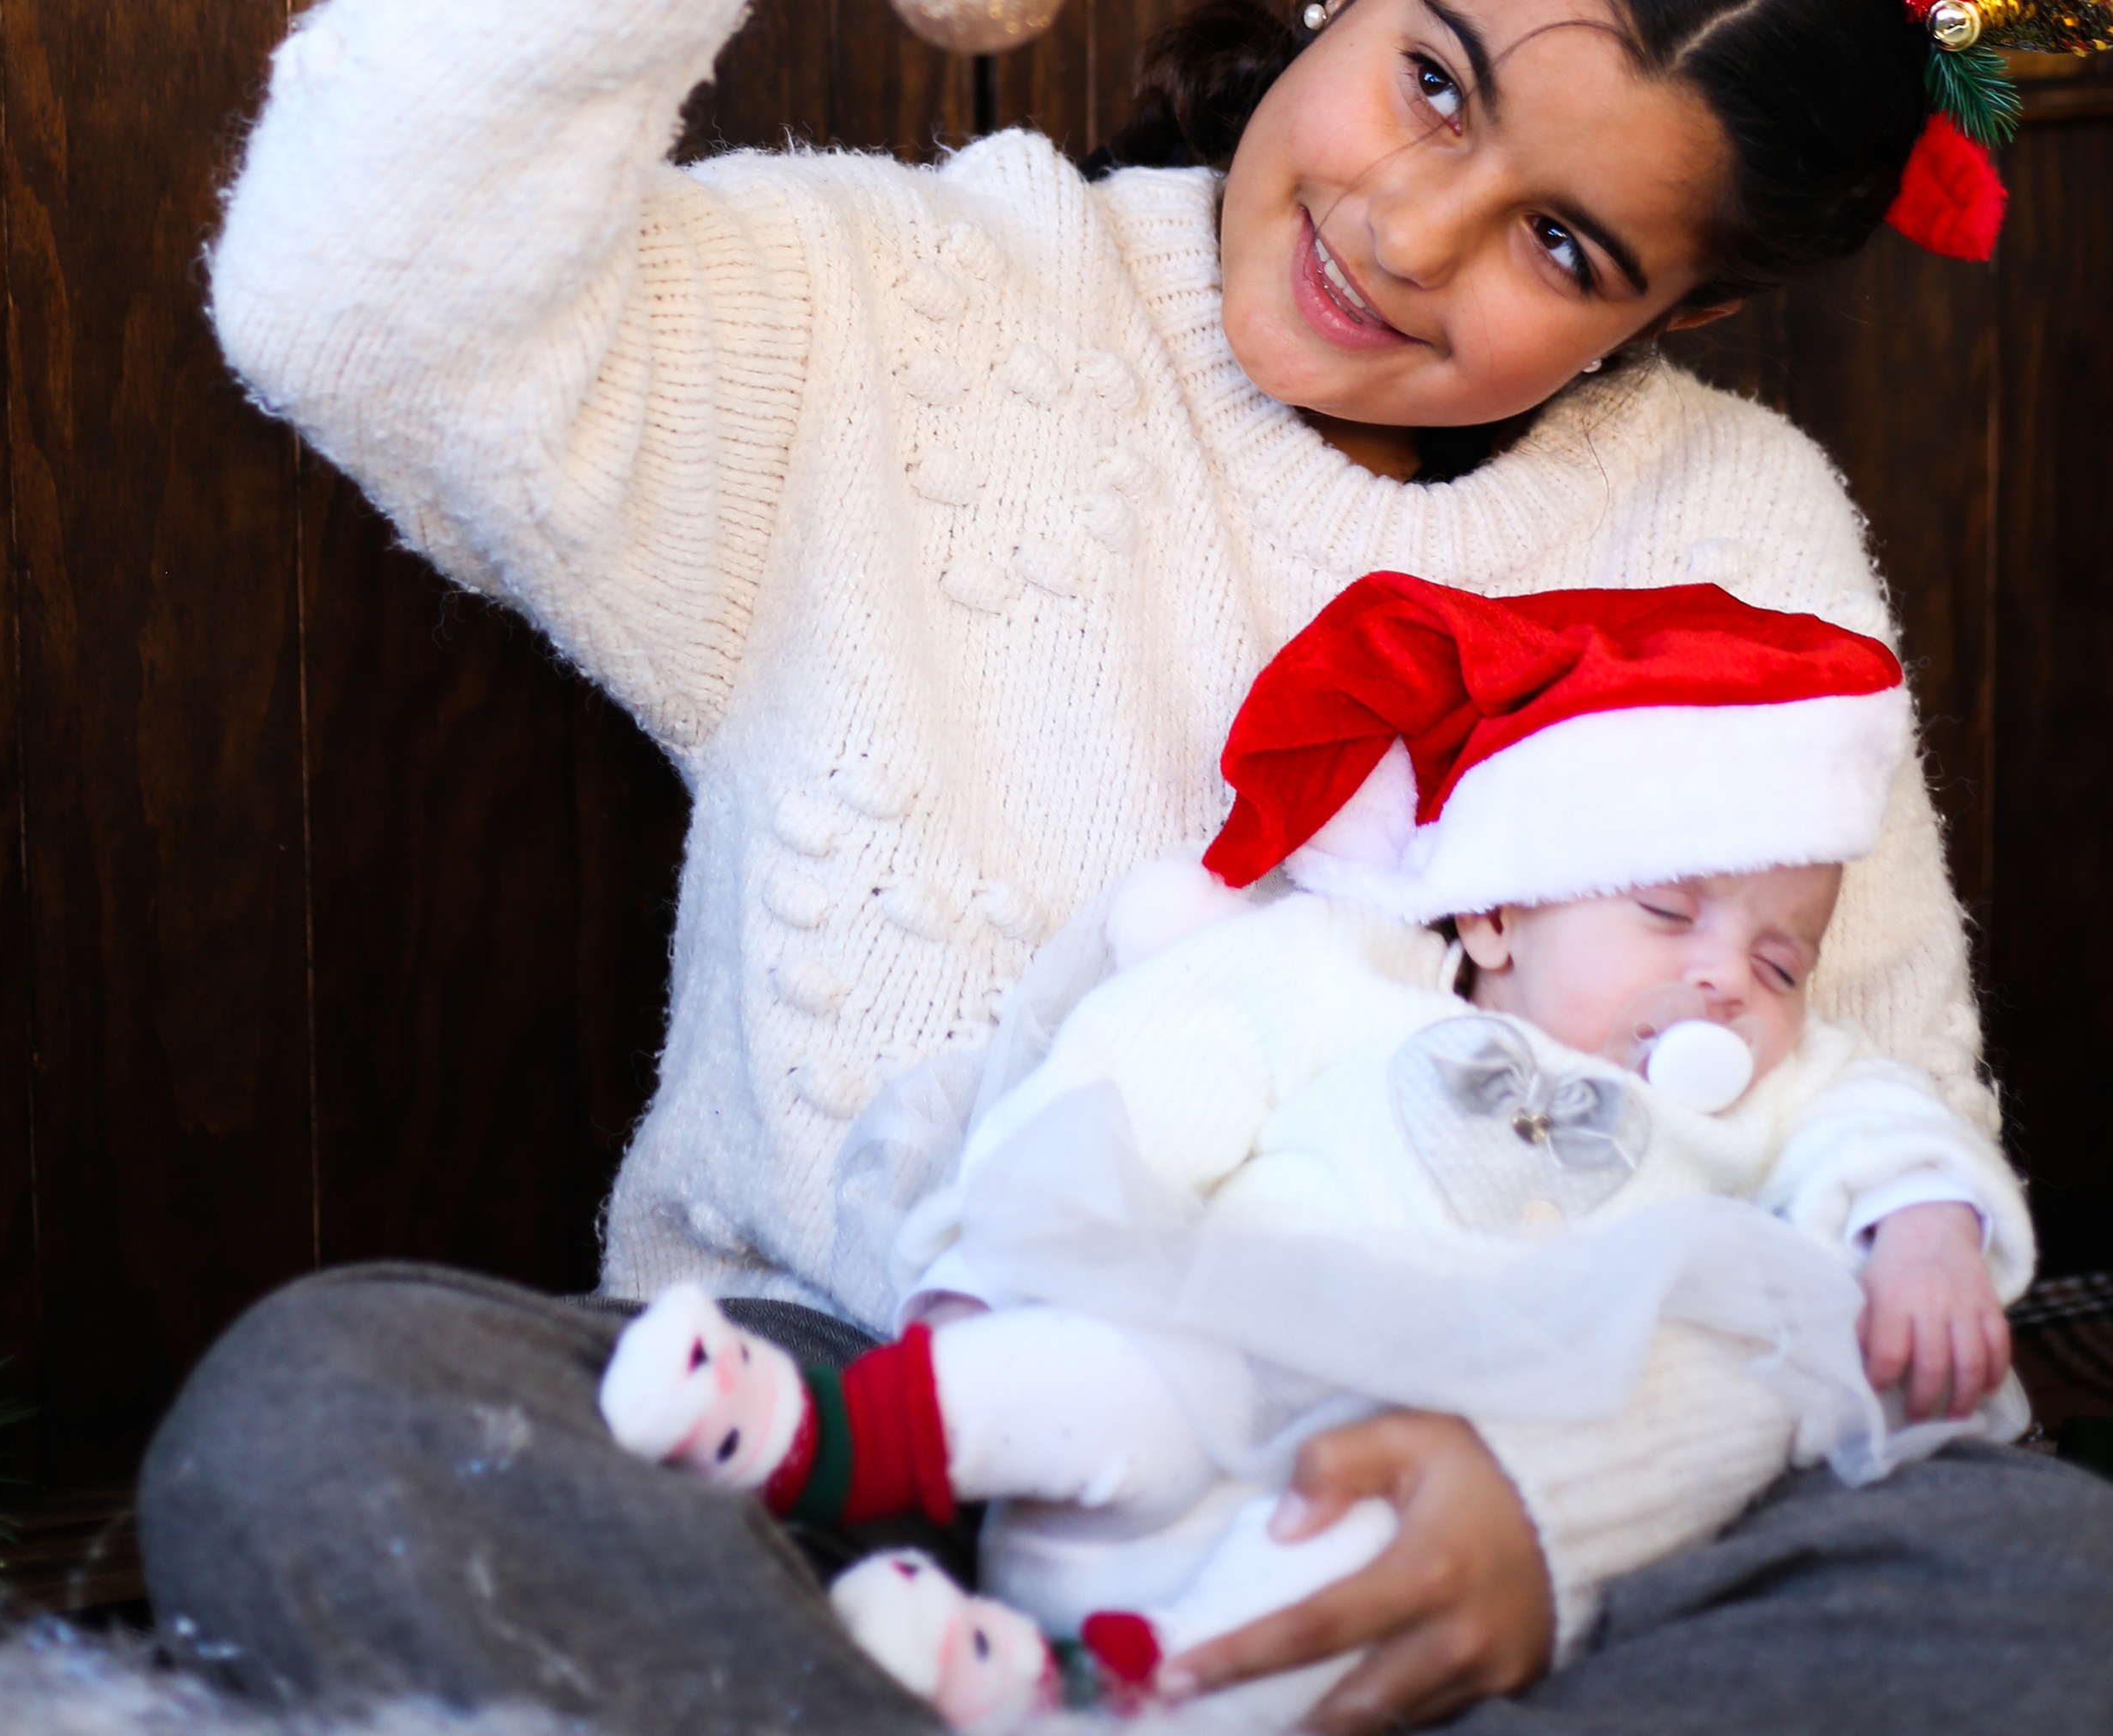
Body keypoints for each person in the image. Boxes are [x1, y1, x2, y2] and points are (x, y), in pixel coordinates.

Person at [142, 0, 2113, 1731]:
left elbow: (1879, 1186)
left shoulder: (1744, 533)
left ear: (1689, 305)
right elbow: (342, 308)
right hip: (885, 1428)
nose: (1406, 227)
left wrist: (1561, 1519)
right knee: (325, 1411)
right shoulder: (906, 314)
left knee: (2057, 1590)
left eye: (1568, 250)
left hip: (1475, 1473)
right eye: (1434, 82)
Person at [600, 570, 2031, 1733]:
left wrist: (1923, 1227)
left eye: (1784, 960)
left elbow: (1884, 1123)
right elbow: (1148, 1073)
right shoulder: (1342, 980)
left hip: (1389, 1491)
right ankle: (816, 1440)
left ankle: (1085, 1699)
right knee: (1113, 1369)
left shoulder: (1764, 1100)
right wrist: (1009, 1260)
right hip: (1203, 1377)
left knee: (1351, 1590)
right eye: (1670, 913)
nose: (1731, 979)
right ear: (1497, 917)